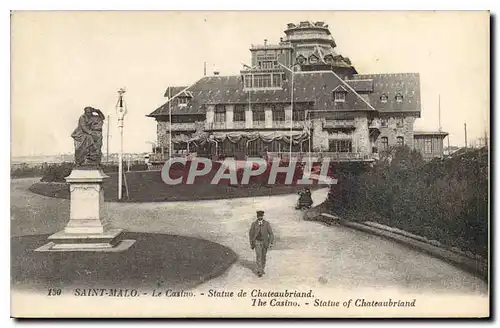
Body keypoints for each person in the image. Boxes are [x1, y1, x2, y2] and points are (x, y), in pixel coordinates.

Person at [248, 210, 274, 277]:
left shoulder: (266, 224)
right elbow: (251, 234)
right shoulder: (254, 224)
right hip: (257, 242)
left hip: (265, 242)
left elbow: (271, 234)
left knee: (263, 256)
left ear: (262, 216)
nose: (260, 217)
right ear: (257, 216)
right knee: (259, 256)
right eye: (258, 216)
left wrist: (271, 242)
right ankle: (260, 271)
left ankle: (262, 268)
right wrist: (251, 243)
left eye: (261, 216)